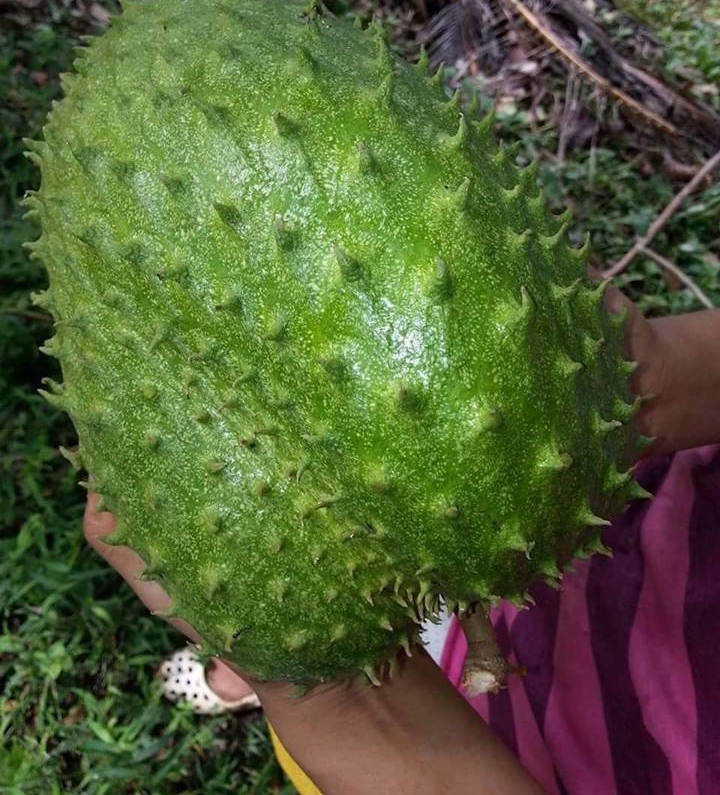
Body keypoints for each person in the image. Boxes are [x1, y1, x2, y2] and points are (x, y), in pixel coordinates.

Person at [83, 286, 720, 795]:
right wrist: (647, 386)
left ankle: (249, 668)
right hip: (591, 485)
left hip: (480, 743)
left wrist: (343, 695)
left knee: (330, 605)